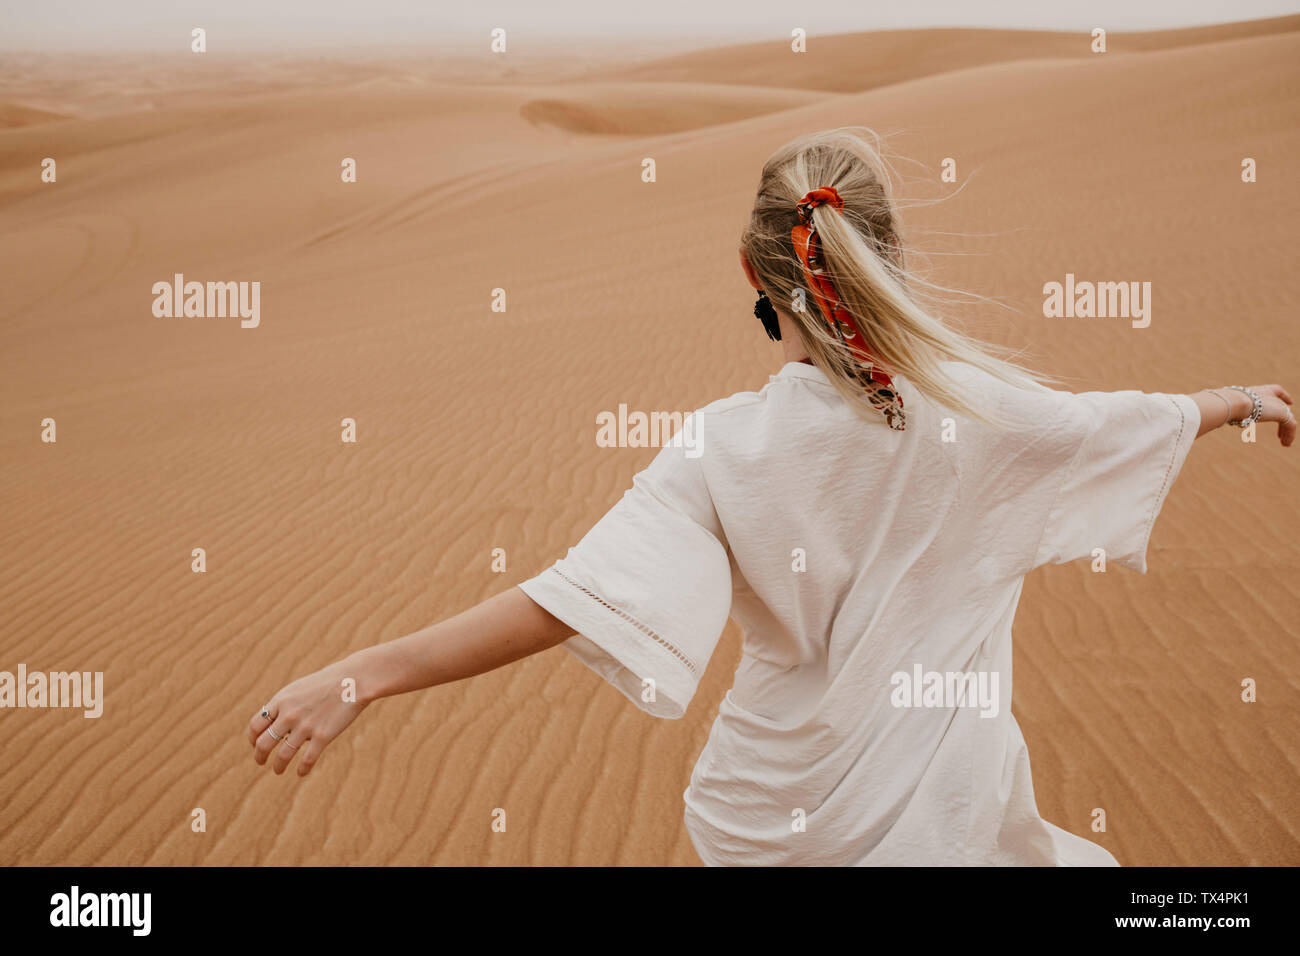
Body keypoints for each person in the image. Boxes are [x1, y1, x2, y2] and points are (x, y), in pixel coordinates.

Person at [247, 128, 1294, 865]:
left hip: (767, 820)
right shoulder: (990, 415)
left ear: (752, 272)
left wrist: (360, 674)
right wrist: (1242, 397)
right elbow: (1135, 415)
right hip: (942, 822)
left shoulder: (719, 449)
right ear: (887, 261)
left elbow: (562, 600)